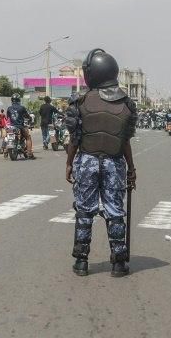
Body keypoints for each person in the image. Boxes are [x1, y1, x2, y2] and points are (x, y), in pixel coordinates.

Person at [65, 48, 137, 278]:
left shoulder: (80, 101)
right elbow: (125, 141)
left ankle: (81, 262)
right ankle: (118, 262)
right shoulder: (127, 104)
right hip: (115, 163)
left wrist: (69, 163)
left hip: (86, 161)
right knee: (115, 212)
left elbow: (74, 140)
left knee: (84, 212)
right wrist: (132, 169)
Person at [6, 94, 35, 159]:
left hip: (11, 127)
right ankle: (29, 153)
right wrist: (30, 119)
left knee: (6, 137)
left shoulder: (9, 108)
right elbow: (27, 116)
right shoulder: (22, 108)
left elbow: (8, 118)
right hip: (20, 126)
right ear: (19, 100)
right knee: (28, 137)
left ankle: (5, 150)